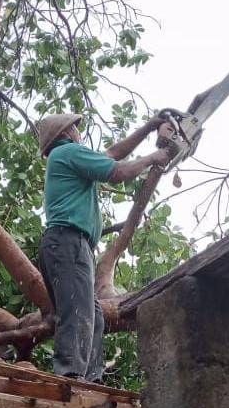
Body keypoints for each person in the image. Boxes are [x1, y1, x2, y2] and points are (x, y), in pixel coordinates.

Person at [36, 113, 172, 382]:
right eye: (75, 128)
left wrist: (149, 127)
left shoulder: (66, 156)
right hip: (69, 242)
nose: (79, 132)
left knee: (93, 315)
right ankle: (71, 378)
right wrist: (153, 158)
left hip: (65, 244)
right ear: (65, 134)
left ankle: (91, 378)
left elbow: (112, 154)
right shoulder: (69, 152)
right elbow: (118, 172)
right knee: (76, 313)